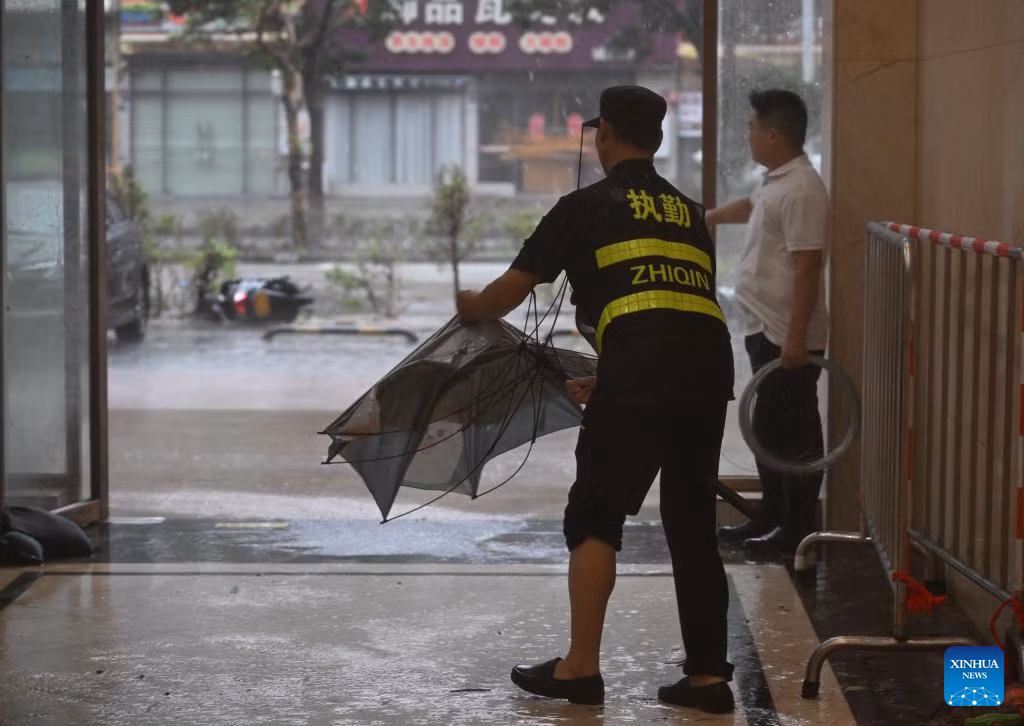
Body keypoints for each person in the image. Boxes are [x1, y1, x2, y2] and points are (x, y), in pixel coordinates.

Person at [456, 85, 736, 714]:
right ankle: (707, 680)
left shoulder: (584, 206)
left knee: (595, 514)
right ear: (656, 140)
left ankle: (580, 669)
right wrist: (612, 375)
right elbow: (672, 303)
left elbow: (509, 293)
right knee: (692, 521)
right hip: (706, 366)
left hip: (641, 367)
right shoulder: (690, 213)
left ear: (603, 133)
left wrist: (468, 306)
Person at [707, 89, 829, 554]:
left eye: (752, 127)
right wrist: (712, 217)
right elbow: (753, 206)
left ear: (774, 135)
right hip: (766, 330)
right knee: (768, 429)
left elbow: (809, 267)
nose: (748, 135)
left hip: (787, 337)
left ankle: (796, 530)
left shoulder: (803, 190)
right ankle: (773, 517)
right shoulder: (777, 181)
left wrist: (796, 338)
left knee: (794, 436)